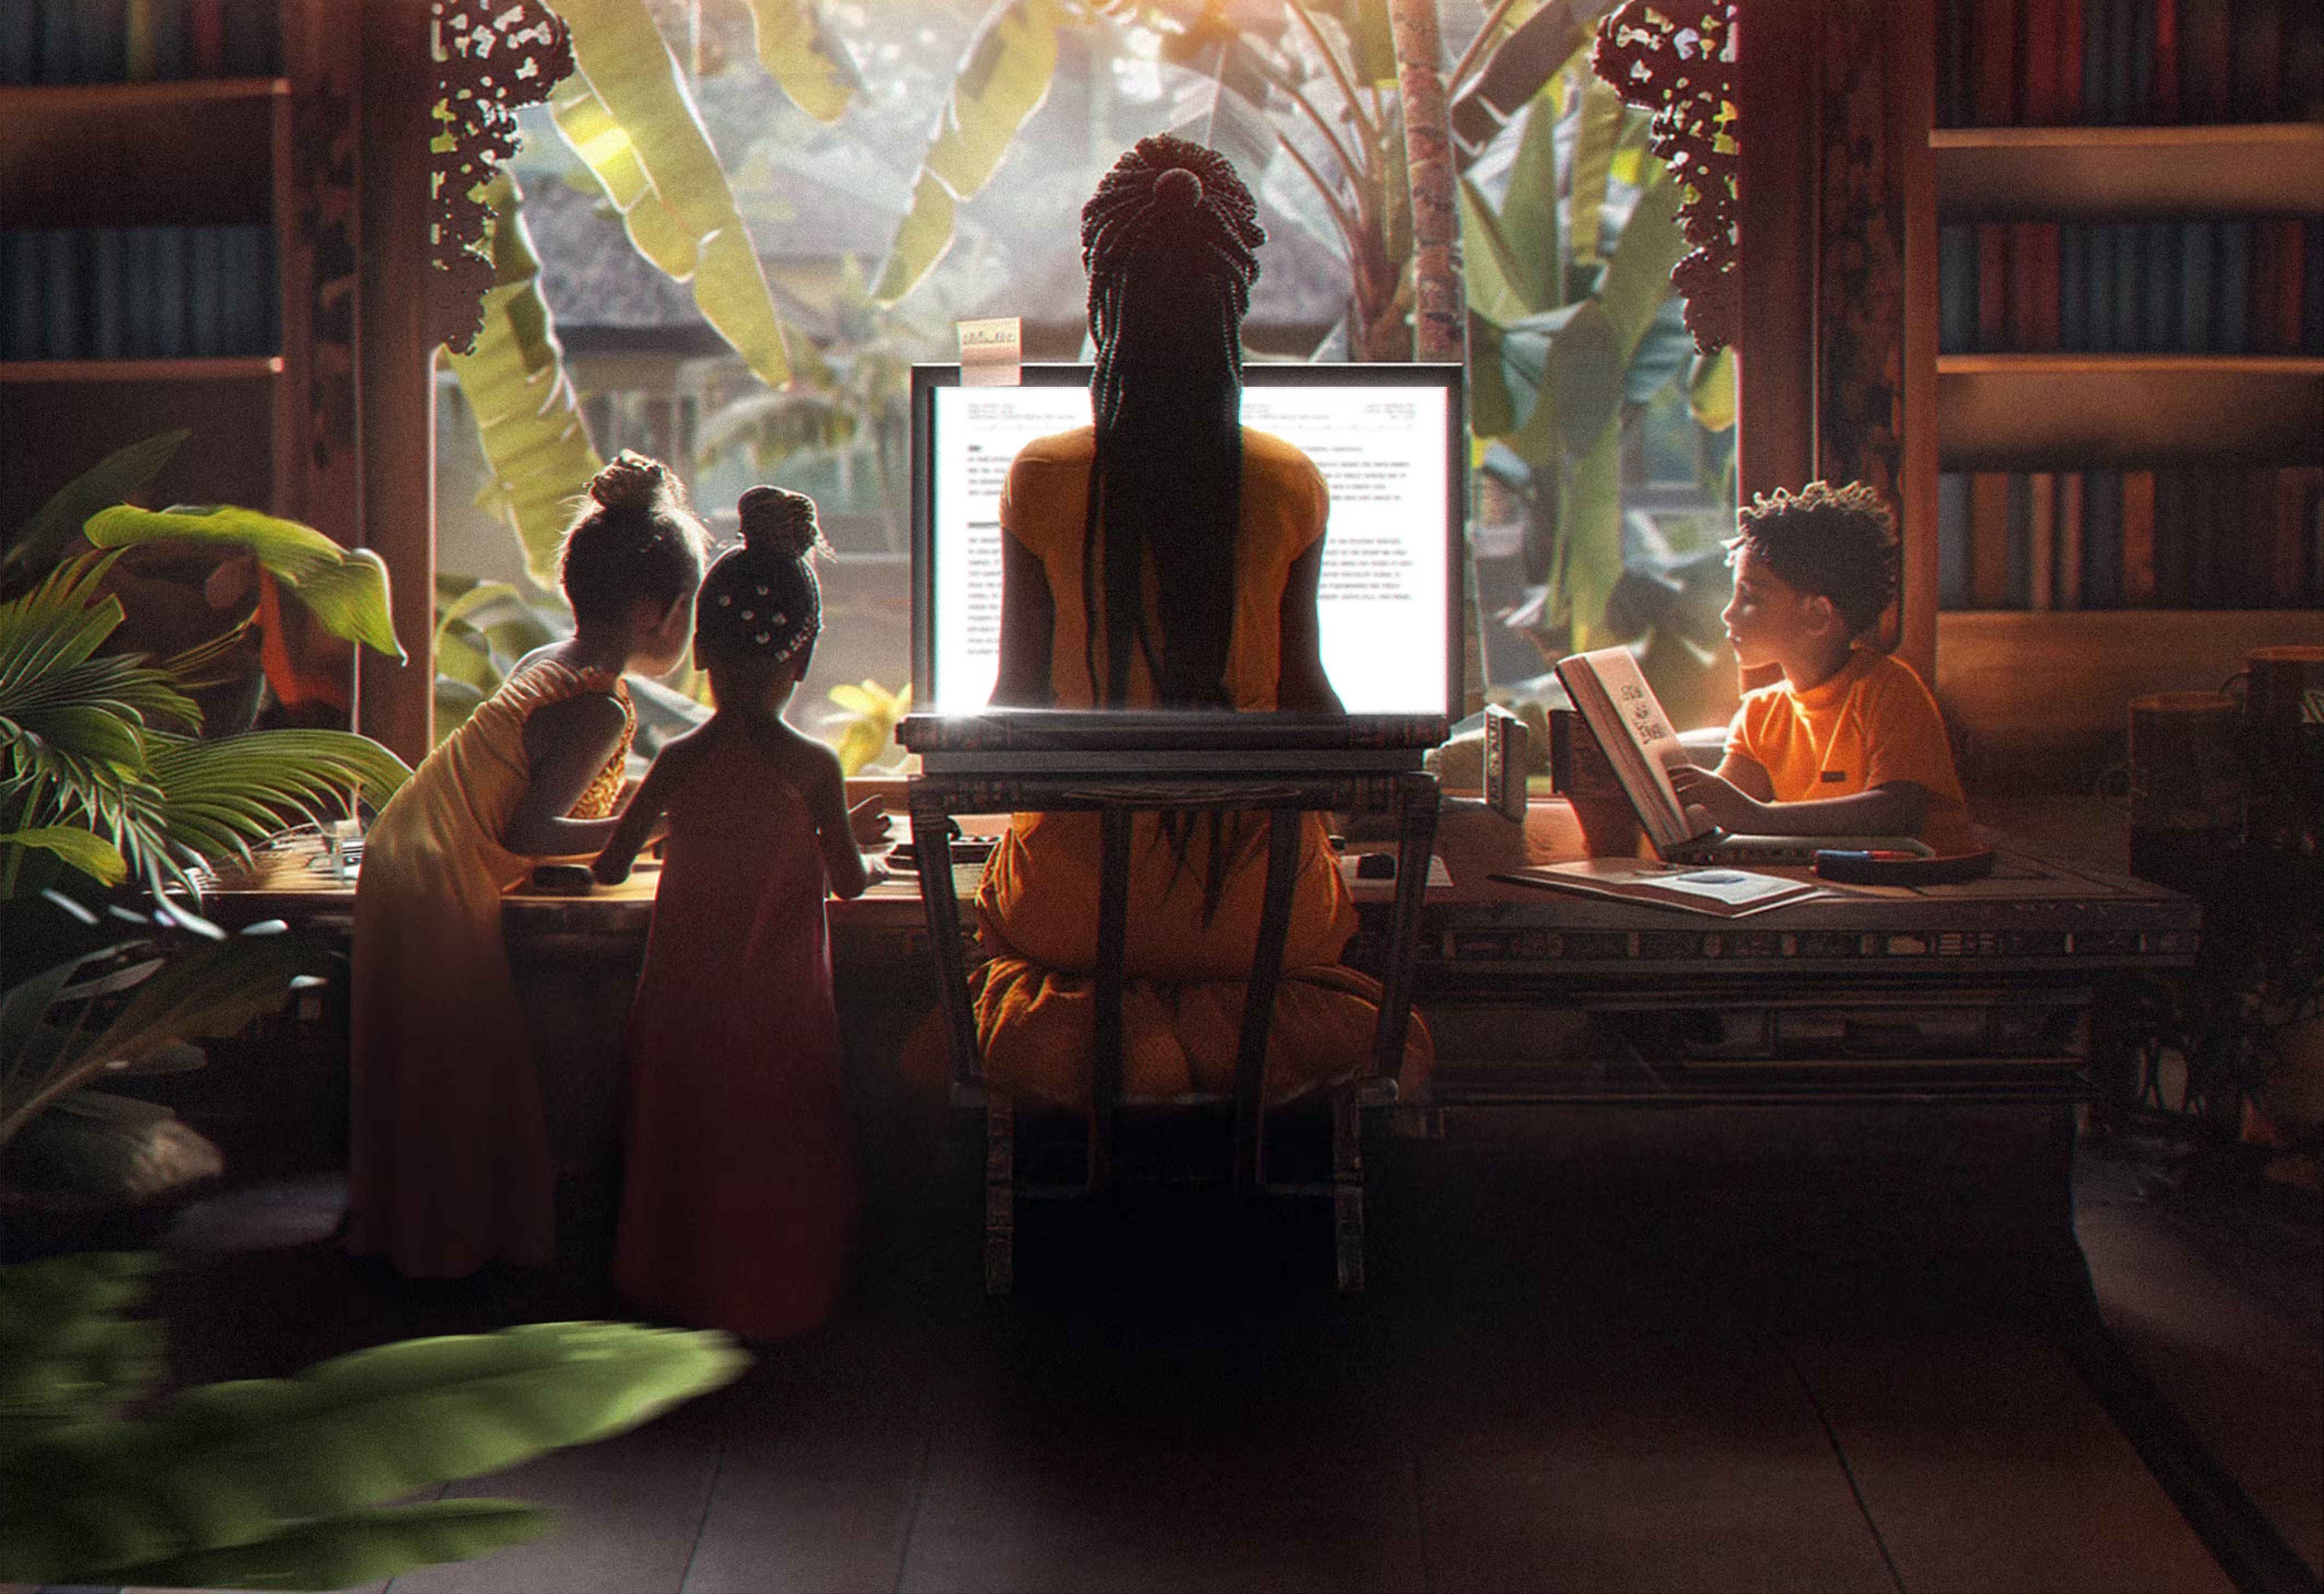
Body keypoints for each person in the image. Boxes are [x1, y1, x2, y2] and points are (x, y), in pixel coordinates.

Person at [961, 133, 1430, 1110]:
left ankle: (1125, 1063)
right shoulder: (1289, 480)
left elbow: (1013, 705)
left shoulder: (1040, 476)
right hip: (1259, 917)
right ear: (1235, 297)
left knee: (1000, 948)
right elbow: (1308, 702)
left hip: (1075, 913)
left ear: (1103, 290)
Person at [348, 451, 705, 1279]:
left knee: (423, 1063)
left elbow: (536, 795)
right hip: (439, 876)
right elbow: (535, 828)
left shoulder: (548, 661)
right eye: (689, 606)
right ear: (660, 612)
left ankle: (416, 1232)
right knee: (462, 1062)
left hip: (407, 850)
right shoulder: (595, 704)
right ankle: (453, 1248)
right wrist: (655, 826)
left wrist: (634, 813)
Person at [593, 485, 891, 1340]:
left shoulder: (679, 760)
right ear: (803, 656)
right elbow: (851, 884)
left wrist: (680, 834)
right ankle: (774, 1300)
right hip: (779, 1008)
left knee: (688, 1150)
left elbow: (611, 864)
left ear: (703, 652)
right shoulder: (815, 767)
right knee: (776, 1151)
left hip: (682, 1006)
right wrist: (859, 845)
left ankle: (679, 1297)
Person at [1667, 480, 1981, 855]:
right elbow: (1724, 809)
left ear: (1817, 616)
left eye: (1749, 597)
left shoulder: (1889, 690)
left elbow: (1898, 811)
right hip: (1837, 882)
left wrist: (1758, 817)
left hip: (1930, 882)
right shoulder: (1761, 714)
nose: (1728, 613)